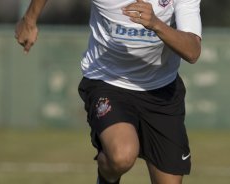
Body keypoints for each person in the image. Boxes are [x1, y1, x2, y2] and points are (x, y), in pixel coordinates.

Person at [15, 0, 202, 183]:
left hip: (161, 92)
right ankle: (106, 177)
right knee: (122, 155)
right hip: (108, 82)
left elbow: (192, 51)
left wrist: (156, 24)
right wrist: (29, 20)